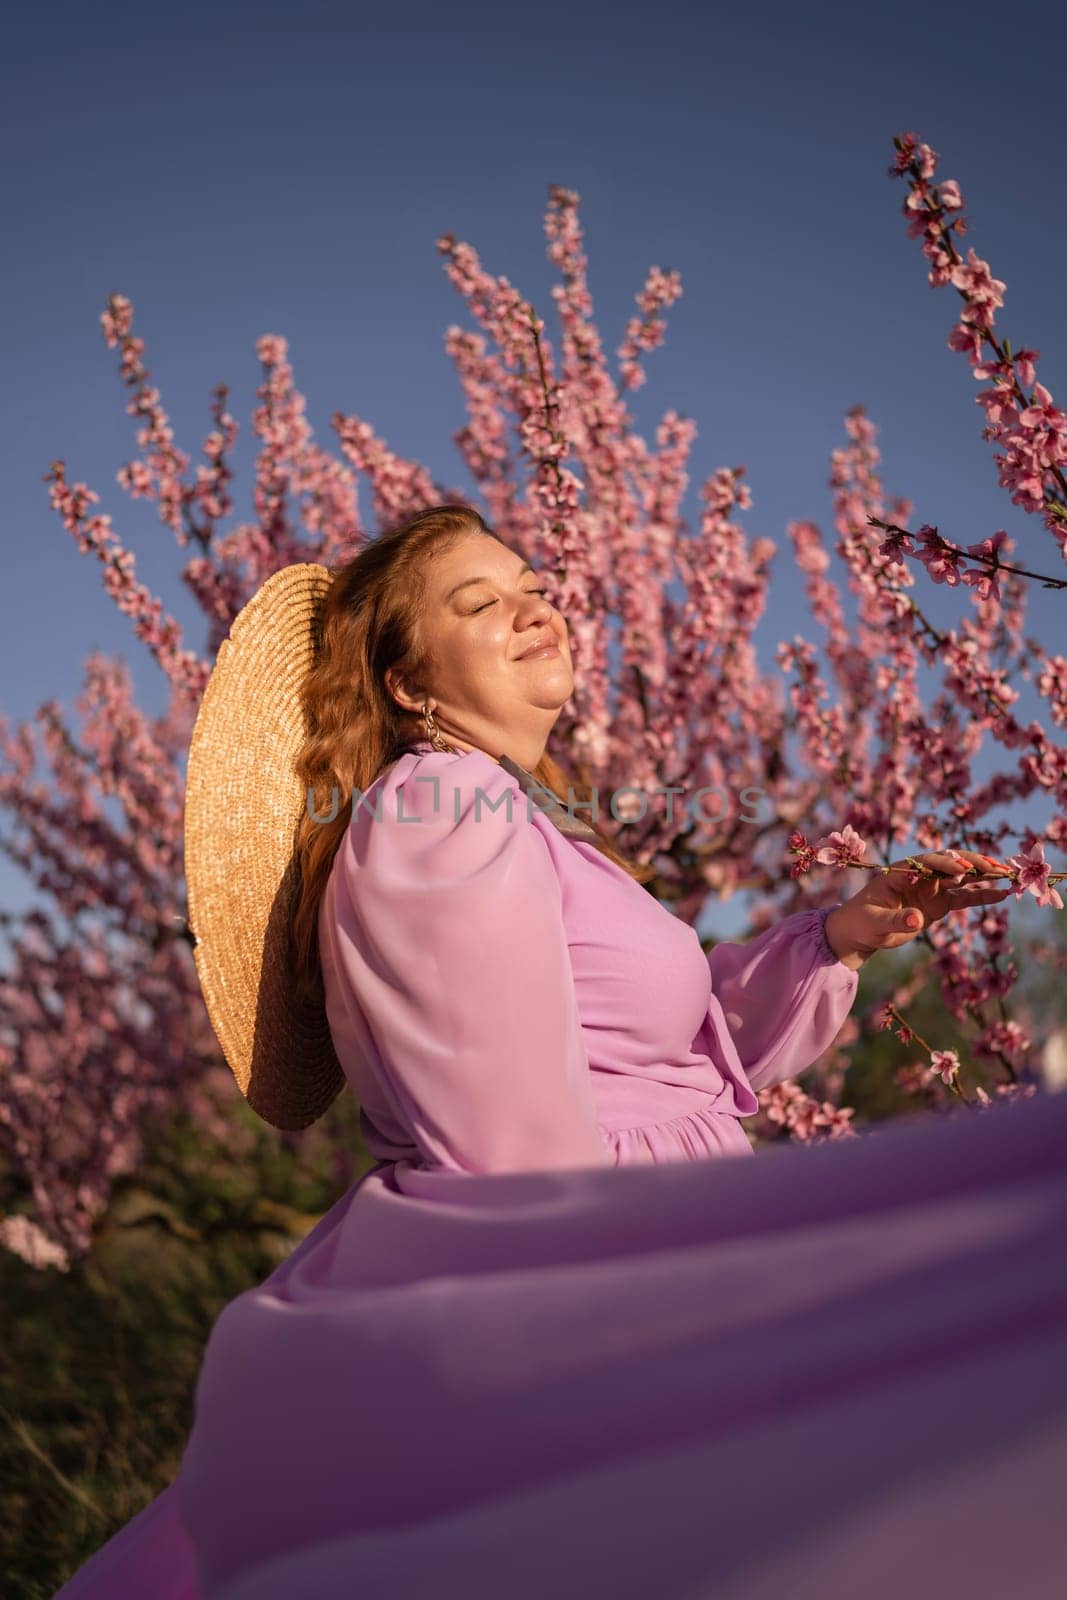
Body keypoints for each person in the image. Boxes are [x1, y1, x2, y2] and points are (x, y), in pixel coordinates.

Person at [53, 505, 1064, 1600]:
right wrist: (606, 1345)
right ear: (406, 683)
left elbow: (676, 1059)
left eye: (531, 583)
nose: (533, 606)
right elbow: (506, 1137)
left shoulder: (517, 817)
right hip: (614, 1265)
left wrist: (838, 935)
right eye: (477, 603)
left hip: (656, 1236)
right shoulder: (441, 810)